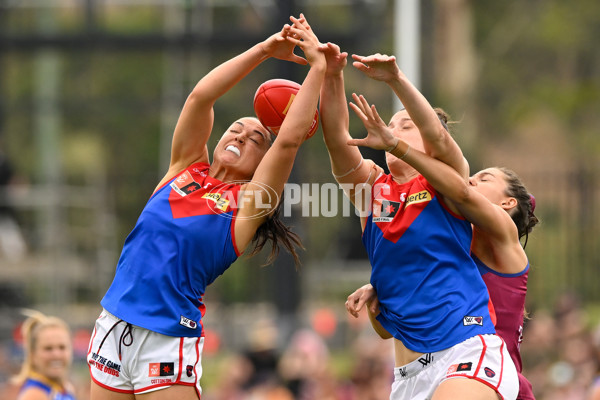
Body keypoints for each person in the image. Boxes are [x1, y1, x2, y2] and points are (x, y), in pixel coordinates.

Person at [87, 14, 326, 400]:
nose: (241, 134)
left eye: (255, 138)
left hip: (167, 336)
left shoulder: (249, 203)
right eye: (236, 127)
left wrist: (318, 67)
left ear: (260, 164)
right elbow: (201, 96)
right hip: (114, 324)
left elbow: (288, 142)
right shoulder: (183, 168)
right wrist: (265, 50)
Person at [318, 43, 518, 399]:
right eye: (391, 124)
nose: (391, 129)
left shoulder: (447, 183)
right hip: (408, 377)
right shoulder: (371, 191)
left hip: (466, 352)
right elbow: (336, 139)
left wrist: (396, 79)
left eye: (406, 125)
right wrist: (331, 73)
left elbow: (440, 138)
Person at [345, 150, 539, 397]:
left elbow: (460, 190)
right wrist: (378, 287)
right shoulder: (446, 252)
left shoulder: (501, 238)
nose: (471, 180)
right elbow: (386, 331)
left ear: (508, 202)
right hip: (449, 372)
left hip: (487, 379)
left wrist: (398, 146)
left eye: (485, 179)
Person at [12, 310, 76, 400]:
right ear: (32, 354)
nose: (56, 355)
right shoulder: (34, 395)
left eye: (62, 347)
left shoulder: (66, 388)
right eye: (48, 348)